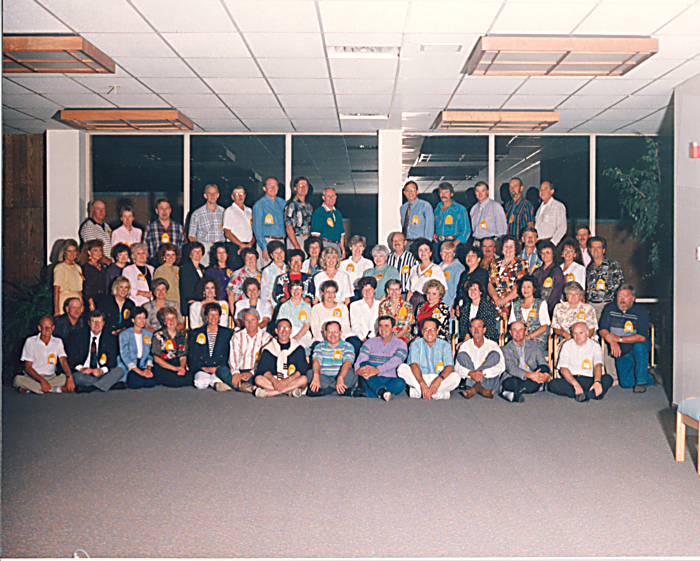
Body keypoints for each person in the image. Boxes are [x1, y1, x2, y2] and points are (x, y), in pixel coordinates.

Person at [599, 284, 654, 392]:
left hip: (637, 345)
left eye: (626, 296)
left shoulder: (641, 310)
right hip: (620, 349)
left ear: (633, 298)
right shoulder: (610, 308)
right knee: (626, 383)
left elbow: (642, 337)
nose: (622, 300)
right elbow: (602, 330)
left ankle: (641, 382)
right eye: (620, 296)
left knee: (639, 346)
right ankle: (650, 376)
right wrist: (612, 341)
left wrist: (619, 339)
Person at [548, 322, 613, 401]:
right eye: (575, 333)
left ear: (587, 333)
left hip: (590, 379)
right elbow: (563, 369)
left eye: (581, 333)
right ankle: (590, 394)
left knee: (608, 378)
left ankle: (581, 394)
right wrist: (575, 385)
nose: (578, 336)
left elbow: (598, 365)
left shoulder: (595, 346)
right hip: (572, 380)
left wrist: (597, 382)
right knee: (553, 384)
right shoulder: (567, 345)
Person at [397, 317, 459, 400]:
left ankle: (418, 392)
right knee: (402, 368)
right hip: (419, 377)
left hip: (438, 378)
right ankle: (437, 394)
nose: (429, 332)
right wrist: (422, 384)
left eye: (432, 329)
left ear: (437, 331)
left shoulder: (445, 345)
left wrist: (438, 380)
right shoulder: (416, 344)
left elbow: (450, 367)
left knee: (456, 377)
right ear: (422, 331)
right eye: (426, 329)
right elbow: (414, 365)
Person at [66, 310, 125, 393]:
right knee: (76, 377)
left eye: (99, 321)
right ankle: (107, 385)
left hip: (101, 373)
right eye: (93, 321)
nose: (97, 324)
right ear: (89, 323)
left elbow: (112, 361)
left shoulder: (110, 338)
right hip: (85, 374)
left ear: (103, 323)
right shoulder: (78, 336)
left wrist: (101, 370)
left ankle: (91, 388)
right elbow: (71, 358)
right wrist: (82, 368)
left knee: (119, 371)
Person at [14, 316, 74, 394]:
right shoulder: (30, 341)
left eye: (49, 326)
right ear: (39, 328)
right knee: (17, 379)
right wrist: (42, 381)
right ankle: (53, 389)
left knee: (64, 378)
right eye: (44, 327)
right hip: (33, 377)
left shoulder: (58, 341)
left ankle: (32, 389)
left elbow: (63, 361)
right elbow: (28, 367)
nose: (47, 329)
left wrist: (69, 377)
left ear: (53, 327)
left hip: (51, 377)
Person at [353, 316, 408, 401]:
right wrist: (358, 370)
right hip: (370, 378)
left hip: (389, 378)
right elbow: (361, 360)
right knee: (363, 364)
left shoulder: (401, 344)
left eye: (386, 326)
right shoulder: (369, 342)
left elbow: (395, 361)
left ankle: (366, 393)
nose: (383, 328)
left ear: (393, 328)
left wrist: (377, 370)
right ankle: (382, 392)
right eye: (380, 325)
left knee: (401, 382)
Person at [253, 318, 310, 398]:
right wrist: (274, 381)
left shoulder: (298, 348)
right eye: (281, 328)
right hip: (274, 380)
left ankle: (271, 393)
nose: (284, 331)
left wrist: (287, 380)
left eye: (287, 328)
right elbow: (263, 369)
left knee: (304, 379)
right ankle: (289, 391)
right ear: (276, 331)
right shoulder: (268, 349)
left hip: (291, 380)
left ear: (291, 331)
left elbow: (301, 370)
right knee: (258, 379)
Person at [500, 320, 552, 403]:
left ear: (525, 332)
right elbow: (511, 368)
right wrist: (530, 375)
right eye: (514, 330)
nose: (517, 333)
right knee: (510, 382)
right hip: (515, 376)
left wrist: (546, 375)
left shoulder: (534, 345)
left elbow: (543, 362)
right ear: (510, 332)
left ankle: (513, 392)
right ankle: (521, 390)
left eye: (520, 330)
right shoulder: (505, 349)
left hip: (533, 376)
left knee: (543, 368)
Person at [455, 317, 505, 399]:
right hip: (472, 378)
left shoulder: (492, 345)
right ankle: (482, 390)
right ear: (470, 330)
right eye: (473, 327)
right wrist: (471, 373)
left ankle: (475, 388)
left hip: (488, 380)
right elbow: (457, 367)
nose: (476, 330)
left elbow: (501, 366)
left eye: (479, 327)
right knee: (461, 355)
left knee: (495, 355)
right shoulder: (465, 345)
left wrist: (483, 373)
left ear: (484, 330)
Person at [224, 309, 272, 393]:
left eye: (253, 320)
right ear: (243, 322)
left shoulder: (267, 337)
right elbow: (233, 356)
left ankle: (231, 385)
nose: (250, 323)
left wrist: (252, 372)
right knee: (221, 370)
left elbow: (266, 361)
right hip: (240, 370)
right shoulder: (237, 336)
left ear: (258, 320)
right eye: (247, 320)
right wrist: (235, 373)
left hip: (256, 372)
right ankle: (248, 387)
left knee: (260, 378)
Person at [307, 320, 357, 397]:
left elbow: (347, 363)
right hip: (324, 377)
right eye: (329, 332)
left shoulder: (348, 346)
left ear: (340, 333)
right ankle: (341, 391)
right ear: (325, 333)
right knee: (310, 373)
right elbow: (316, 361)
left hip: (342, 376)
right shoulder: (319, 346)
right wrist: (316, 375)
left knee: (353, 372)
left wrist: (340, 377)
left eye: (336, 331)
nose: (333, 335)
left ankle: (324, 391)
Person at [191, 303, 233, 391]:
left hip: (219, 368)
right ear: (206, 316)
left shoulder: (227, 333)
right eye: (210, 314)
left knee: (217, 382)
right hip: (203, 368)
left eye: (216, 314)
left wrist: (218, 368)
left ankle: (213, 380)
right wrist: (203, 368)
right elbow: (193, 354)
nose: (213, 317)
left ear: (219, 316)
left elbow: (229, 354)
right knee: (200, 384)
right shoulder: (197, 333)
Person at [151, 306, 192, 388]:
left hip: (177, 364)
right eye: (168, 319)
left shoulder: (181, 336)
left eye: (173, 318)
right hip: (164, 365)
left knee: (191, 378)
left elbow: (183, 356)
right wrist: (174, 369)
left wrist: (181, 367)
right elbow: (156, 358)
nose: (172, 321)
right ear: (164, 322)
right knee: (175, 381)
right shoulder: (158, 335)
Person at [585, 235, 625, 321]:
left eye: (598, 247)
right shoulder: (589, 267)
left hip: (607, 305)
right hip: (591, 307)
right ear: (589, 250)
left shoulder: (612, 265)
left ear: (603, 250)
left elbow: (620, 286)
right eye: (593, 247)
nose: (595, 250)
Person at [488, 234, 528, 318]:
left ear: (515, 249)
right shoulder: (494, 263)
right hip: (494, 305)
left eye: (511, 246)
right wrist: (496, 298)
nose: (508, 249)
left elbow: (521, 285)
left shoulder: (521, 263)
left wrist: (505, 300)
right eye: (506, 246)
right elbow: (489, 283)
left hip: (512, 306)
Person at [509, 275, 550, 355]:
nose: (525, 289)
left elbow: (544, 327)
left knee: (527, 348)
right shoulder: (515, 305)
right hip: (519, 338)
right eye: (523, 287)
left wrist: (529, 337)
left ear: (534, 289)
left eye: (528, 287)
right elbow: (513, 325)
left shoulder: (541, 303)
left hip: (537, 339)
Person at [117, 307, 155, 389]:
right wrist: (140, 372)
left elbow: (150, 355)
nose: (142, 320)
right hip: (130, 366)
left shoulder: (149, 334)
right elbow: (125, 356)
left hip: (142, 365)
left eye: (144, 318)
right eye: (139, 318)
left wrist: (148, 370)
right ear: (133, 320)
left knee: (151, 383)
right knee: (136, 383)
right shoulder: (124, 334)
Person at [188, 183, 225, 267]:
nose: (212, 196)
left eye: (214, 193)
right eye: (209, 193)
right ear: (205, 195)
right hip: (205, 249)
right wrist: (198, 252)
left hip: (220, 250)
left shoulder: (224, 212)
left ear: (218, 195)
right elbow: (191, 236)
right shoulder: (197, 214)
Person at [252, 176, 286, 265]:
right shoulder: (259, 205)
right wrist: (264, 247)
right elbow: (257, 228)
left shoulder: (282, 203)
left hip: (281, 242)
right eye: (270, 186)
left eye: (275, 186)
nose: (273, 188)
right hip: (267, 242)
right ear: (264, 188)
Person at [406, 238, 447, 310]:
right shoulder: (414, 268)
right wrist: (407, 306)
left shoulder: (436, 268)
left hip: (427, 301)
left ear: (430, 253)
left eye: (426, 250)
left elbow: (442, 290)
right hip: (413, 301)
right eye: (420, 250)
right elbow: (410, 291)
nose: (423, 252)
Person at [222, 185, 255, 271]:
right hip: (235, 247)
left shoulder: (250, 211)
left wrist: (249, 245)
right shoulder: (229, 211)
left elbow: (254, 231)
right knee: (236, 273)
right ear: (232, 197)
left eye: (242, 194)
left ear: (245, 195)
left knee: (249, 271)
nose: (240, 196)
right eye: (237, 194)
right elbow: (227, 233)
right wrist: (241, 245)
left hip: (249, 246)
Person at [433, 181, 470, 257]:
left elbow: (466, 230)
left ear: (451, 194)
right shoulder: (437, 209)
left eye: (446, 192)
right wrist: (433, 234)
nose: (443, 195)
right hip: (438, 243)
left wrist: (454, 244)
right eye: (441, 192)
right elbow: (433, 225)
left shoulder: (460, 209)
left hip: (453, 242)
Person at [144, 198, 187, 262]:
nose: (164, 211)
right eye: (161, 208)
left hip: (173, 264)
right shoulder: (149, 229)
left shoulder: (179, 228)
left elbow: (184, 250)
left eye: (166, 208)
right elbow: (144, 249)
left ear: (170, 210)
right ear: (156, 211)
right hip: (155, 264)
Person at [310, 281, 352, 345]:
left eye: (332, 292)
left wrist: (336, 339)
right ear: (323, 293)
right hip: (321, 340)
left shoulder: (342, 307)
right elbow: (315, 328)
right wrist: (326, 340)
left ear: (335, 294)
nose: (330, 294)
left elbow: (346, 326)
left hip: (340, 339)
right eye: (327, 292)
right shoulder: (316, 308)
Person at [310, 187, 346, 259]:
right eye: (328, 196)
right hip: (325, 246)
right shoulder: (318, 212)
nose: (331, 198)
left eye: (332, 196)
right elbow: (315, 235)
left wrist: (343, 251)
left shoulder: (338, 213)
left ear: (336, 197)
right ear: (323, 198)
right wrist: (319, 251)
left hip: (337, 247)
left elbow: (341, 234)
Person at [277, 279, 313, 349]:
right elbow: (280, 324)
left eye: (299, 288)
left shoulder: (306, 306)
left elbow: (306, 325)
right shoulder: (284, 306)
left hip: (303, 334)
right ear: (289, 290)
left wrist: (297, 337)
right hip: (287, 332)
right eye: (293, 288)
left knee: (298, 346)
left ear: (303, 291)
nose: (296, 291)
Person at [378, 279, 415, 344]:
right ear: (388, 291)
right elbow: (382, 325)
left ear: (400, 290)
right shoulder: (383, 305)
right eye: (391, 289)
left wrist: (392, 339)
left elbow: (405, 329)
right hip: (386, 335)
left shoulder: (407, 306)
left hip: (403, 336)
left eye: (396, 289)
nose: (394, 292)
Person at [533, 240, 565, 315]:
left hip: (550, 310)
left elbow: (556, 294)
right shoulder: (536, 271)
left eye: (548, 252)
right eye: (542, 253)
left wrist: (546, 309)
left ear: (553, 254)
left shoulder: (557, 271)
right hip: (535, 308)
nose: (545, 255)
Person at [455, 246, 489, 314]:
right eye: (467, 255)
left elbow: (480, 293)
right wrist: (456, 306)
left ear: (479, 259)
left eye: (473, 255)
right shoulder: (464, 274)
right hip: (462, 308)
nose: (469, 258)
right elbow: (459, 292)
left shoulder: (482, 273)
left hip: (475, 308)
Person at [53, 239, 83, 316]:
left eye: (74, 251)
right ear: (64, 253)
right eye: (69, 251)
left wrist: (82, 305)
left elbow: (79, 291)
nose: (72, 254)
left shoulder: (78, 268)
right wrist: (57, 311)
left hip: (77, 302)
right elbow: (56, 290)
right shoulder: (60, 267)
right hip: (65, 301)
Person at [284, 176, 313, 252]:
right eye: (300, 185)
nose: (303, 188)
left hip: (308, 241)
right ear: (295, 188)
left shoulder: (309, 206)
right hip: (296, 240)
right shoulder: (292, 205)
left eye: (305, 185)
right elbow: (288, 227)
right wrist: (297, 246)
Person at [349, 277, 380, 346]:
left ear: (374, 290)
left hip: (376, 337)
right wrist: (363, 339)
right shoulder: (354, 305)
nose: (367, 292)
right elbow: (355, 326)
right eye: (364, 289)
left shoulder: (380, 305)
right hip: (359, 337)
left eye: (370, 289)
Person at [534, 180, 567, 245]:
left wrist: (552, 243)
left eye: (545, 189)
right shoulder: (539, 208)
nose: (542, 191)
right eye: (541, 189)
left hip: (549, 244)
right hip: (538, 243)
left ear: (552, 191)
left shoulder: (558, 206)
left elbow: (562, 228)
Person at [122, 243, 154, 307]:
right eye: (138, 253)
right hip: (135, 303)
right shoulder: (127, 270)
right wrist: (142, 293)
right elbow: (125, 288)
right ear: (133, 255)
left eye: (143, 253)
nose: (141, 255)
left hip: (150, 304)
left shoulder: (152, 269)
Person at [78, 239, 106, 312]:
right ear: (89, 252)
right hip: (92, 301)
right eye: (95, 250)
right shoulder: (86, 267)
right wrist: (91, 304)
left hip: (103, 299)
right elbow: (87, 287)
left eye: (100, 250)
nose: (98, 253)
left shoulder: (102, 266)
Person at [179, 241, 205, 316]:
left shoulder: (203, 268)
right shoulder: (185, 267)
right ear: (190, 254)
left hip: (201, 302)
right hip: (191, 302)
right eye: (195, 251)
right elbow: (186, 287)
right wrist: (194, 300)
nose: (198, 253)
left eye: (199, 251)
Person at [259, 240, 287, 306]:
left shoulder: (290, 268)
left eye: (281, 252)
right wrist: (270, 307)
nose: (279, 255)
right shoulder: (267, 271)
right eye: (276, 253)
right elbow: (264, 293)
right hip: (274, 304)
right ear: (271, 255)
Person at [439, 241, 464, 309]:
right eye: (444, 252)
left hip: (449, 305)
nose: (447, 254)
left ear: (454, 254)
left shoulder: (458, 268)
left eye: (450, 252)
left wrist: (454, 305)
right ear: (440, 253)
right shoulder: (436, 268)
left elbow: (459, 289)